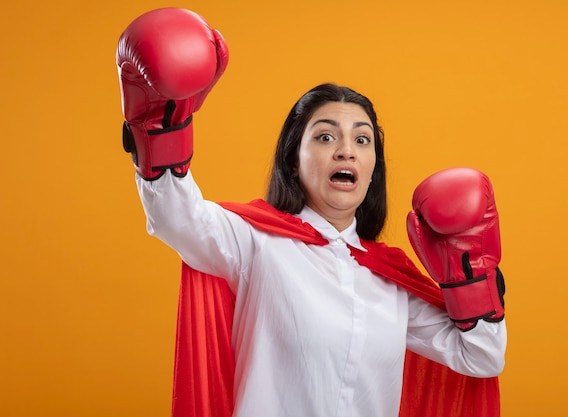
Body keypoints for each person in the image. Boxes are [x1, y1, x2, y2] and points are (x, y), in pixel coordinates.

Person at [117, 7, 507, 417]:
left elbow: (481, 358)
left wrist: (472, 278)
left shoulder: (391, 283)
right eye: (325, 136)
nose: (345, 150)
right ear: (293, 161)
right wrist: (158, 130)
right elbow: (177, 219)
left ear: (374, 168)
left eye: (362, 140)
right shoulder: (255, 243)